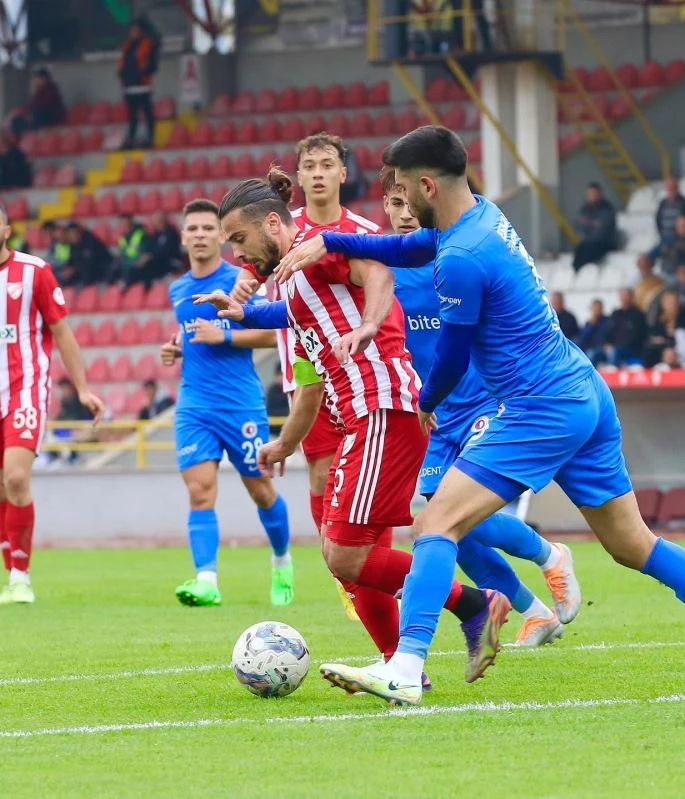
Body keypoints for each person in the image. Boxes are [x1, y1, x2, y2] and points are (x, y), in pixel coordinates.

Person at [279, 126, 685, 705]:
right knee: (633, 545)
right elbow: (412, 249)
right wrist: (339, 244)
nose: (398, 203)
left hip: (539, 405)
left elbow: (448, 359)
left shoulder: (463, 262)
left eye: (402, 190)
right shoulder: (480, 218)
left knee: (436, 525)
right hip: (583, 389)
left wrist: (424, 407)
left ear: (425, 185)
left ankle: (405, 666)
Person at [201, 169, 502, 682]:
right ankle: (400, 667)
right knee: (355, 557)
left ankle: (475, 604)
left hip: (380, 405)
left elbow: (378, 274)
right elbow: (296, 328)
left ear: (273, 223)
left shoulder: (318, 246)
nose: (236, 255)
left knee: (345, 553)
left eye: (239, 239)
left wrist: (368, 324)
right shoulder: (295, 275)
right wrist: (243, 314)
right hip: (364, 415)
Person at [380, 165, 580, 646]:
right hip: (437, 416)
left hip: (483, 403)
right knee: (450, 530)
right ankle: (535, 612)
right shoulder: (384, 275)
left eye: (408, 202)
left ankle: (547, 554)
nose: (403, 213)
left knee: (450, 516)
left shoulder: (454, 253)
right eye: (393, 203)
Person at [232, 132, 384, 620]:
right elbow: (267, 300)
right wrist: (241, 308)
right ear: (298, 177)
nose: (317, 173)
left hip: (366, 380)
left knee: (374, 491)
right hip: (310, 374)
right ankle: (353, 579)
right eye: (309, 166)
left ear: (343, 173)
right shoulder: (277, 241)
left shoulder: (361, 233)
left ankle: (375, 575)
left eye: (327, 164)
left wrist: (369, 328)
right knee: (324, 476)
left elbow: (385, 286)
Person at [160, 199, 293, 608]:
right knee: (200, 492)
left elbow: (276, 333)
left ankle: (282, 562)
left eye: (207, 228)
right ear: (183, 237)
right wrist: (177, 347)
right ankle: (207, 581)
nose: (199, 235)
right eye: (192, 229)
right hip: (194, 404)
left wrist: (227, 337)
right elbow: (193, 331)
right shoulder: (178, 289)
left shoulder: (241, 279)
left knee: (262, 491)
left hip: (240, 403)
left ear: (221, 235)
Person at [0, 205, 104, 604]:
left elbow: (62, 331)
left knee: (15, 478)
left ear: (7, 229)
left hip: (23, 389)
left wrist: (81, 389)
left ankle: (21, 577)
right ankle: (11, 570)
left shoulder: (34, 271)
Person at [118, 17, 159, 149]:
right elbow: (122, 65)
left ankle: (150, 138)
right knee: (132, 115)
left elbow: (152, 65)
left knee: (147, 113)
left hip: (143, 86)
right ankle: (131, 138)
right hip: (129, 86)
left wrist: (145, 71)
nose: (134, 32)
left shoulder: (149, 44)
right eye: (132, 30)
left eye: (136, 30)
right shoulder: (127, 46)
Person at [651, 176, 685, 260]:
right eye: (669, 187)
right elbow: (658, 221)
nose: (671, 190)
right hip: (664, 239)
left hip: (681, 241)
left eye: (674, 187)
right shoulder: (663, 204)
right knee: (646, 259)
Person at [573, 183, 617, 270]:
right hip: (588, 242)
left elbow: (603, 229)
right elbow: (579, 225)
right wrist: (593, 224)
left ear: (600, 194)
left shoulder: (607, 209)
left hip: (603, 243)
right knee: (578, 251)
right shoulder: (585, 208)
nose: (592, 196)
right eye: (590, 194)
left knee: (587, 255)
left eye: (594, 194)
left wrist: (588, 223)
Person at [643, 290, 685, 368]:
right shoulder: (659, 319)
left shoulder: (684, 316)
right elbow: (654, 334)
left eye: (673, 301)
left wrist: (672, 330)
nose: (671, 304)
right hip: (661, 349)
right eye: (668, 301)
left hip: (678, 349)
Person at [604, 287, 647, 367]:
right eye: (622, 296)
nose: (624, 298)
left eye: (626, 296)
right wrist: (606, 343)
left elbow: (639, 335)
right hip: (613, 348)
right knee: (593, 354)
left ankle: (614, 374)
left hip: (632, 349)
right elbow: (607, 332)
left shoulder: (638, 315)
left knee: (616, 352)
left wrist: (618, 346)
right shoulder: (615, 314)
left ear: (632, 297)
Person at [64, 221, 112, 286]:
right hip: (85, 273)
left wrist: (75, 269)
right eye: (69, 234)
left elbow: (90, 263)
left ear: (78, 232)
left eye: (73, 233)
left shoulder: (89, 240)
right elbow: (71, 260)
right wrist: (68, 269)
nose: (71, 236)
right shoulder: (73, 245)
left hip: (101, 271)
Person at [114, 214, 151, 288]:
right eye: (122, 224)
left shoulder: (140, 234)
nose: (123, 225)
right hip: (127, 263)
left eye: (125, 223)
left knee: (128, 271)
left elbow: (146, 254)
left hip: (138, 265)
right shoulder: (123, 237)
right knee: (113, 268)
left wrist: (138, 263)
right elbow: (122, 253)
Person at [632, 254, 665, 325]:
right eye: (641, 265)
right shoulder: (632, 281)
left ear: (651, 265)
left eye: (646, 264)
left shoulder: (659, 281)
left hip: (653, 316)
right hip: (635, 315)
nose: (644, 267)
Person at [577, 298, 609, 366]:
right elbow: (582, 338)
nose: (597, 310)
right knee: (589, 354)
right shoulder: (589, 323)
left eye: (598, 308)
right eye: (595, 308)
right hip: (591, 348)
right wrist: (591, 326)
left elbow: (610, 335)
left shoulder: (607, 321)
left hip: (603, 348)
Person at [266, 363, 290, 437]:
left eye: (282, 374)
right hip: (275, 431)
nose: (281, 377)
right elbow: (272, 412)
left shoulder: (292, 390)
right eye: (279, 374)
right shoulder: (272, 390)